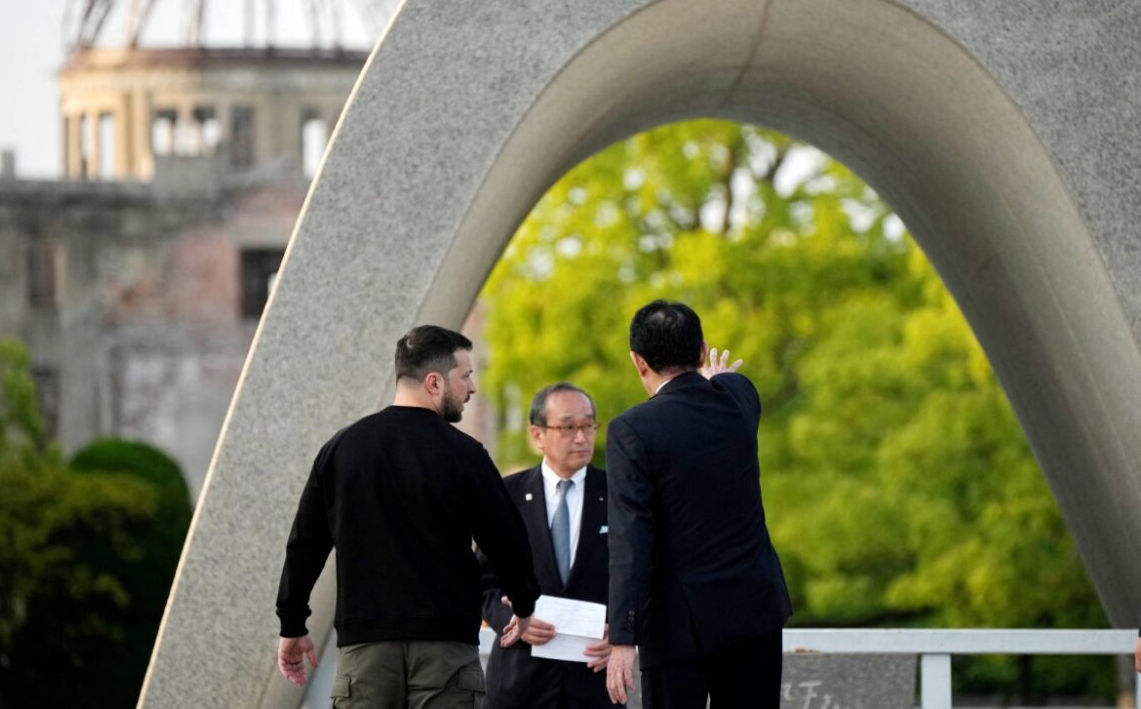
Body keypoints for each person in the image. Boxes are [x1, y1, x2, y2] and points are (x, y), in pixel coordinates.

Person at [274, 325, 541, 709]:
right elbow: (507, 540)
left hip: (365, 647)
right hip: (446, 649)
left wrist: (292, 623)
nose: (472, 388)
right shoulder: (466, 454)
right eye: (465, 376)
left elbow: (306, 544)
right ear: (434, 382)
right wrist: (525, 604)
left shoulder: (342, 449)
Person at [604, 300, 792, 708]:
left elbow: (629, 540)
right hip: (754, 614)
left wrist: (622, 636)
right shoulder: (739, 400)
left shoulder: (632, 430)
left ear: (638, 361)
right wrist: (715, 379)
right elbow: (729, 383)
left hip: (677, 627)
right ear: (702, 350)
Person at [479, 383, 613, 708]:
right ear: (537, 435)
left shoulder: (619, 494)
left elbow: (646, 575)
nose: (581, 437)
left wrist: (623, 633)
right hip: (520, 681)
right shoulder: (507, 494)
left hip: (594, 681)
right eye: (568, 427)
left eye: (588, 425)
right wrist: (514, 620)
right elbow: (483, 582)